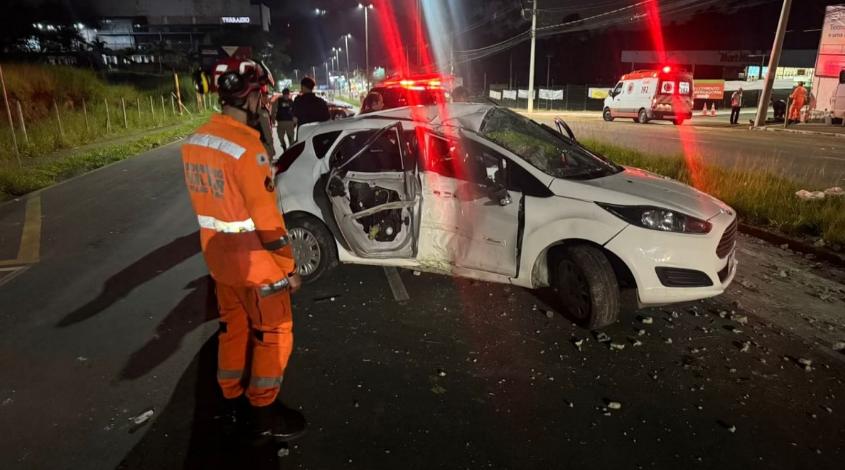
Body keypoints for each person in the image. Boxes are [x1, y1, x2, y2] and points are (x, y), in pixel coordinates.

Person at [181, 58, 306, 442]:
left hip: (219, 261)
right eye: (261, 95)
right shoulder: (249, 150)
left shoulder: (196, 142)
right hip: (258, 266)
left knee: (232, 329)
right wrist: (289, 269)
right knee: (274, 333)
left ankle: (230, 398)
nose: (263, 101)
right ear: (249, 96)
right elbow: (268, 224)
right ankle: (262, 413)